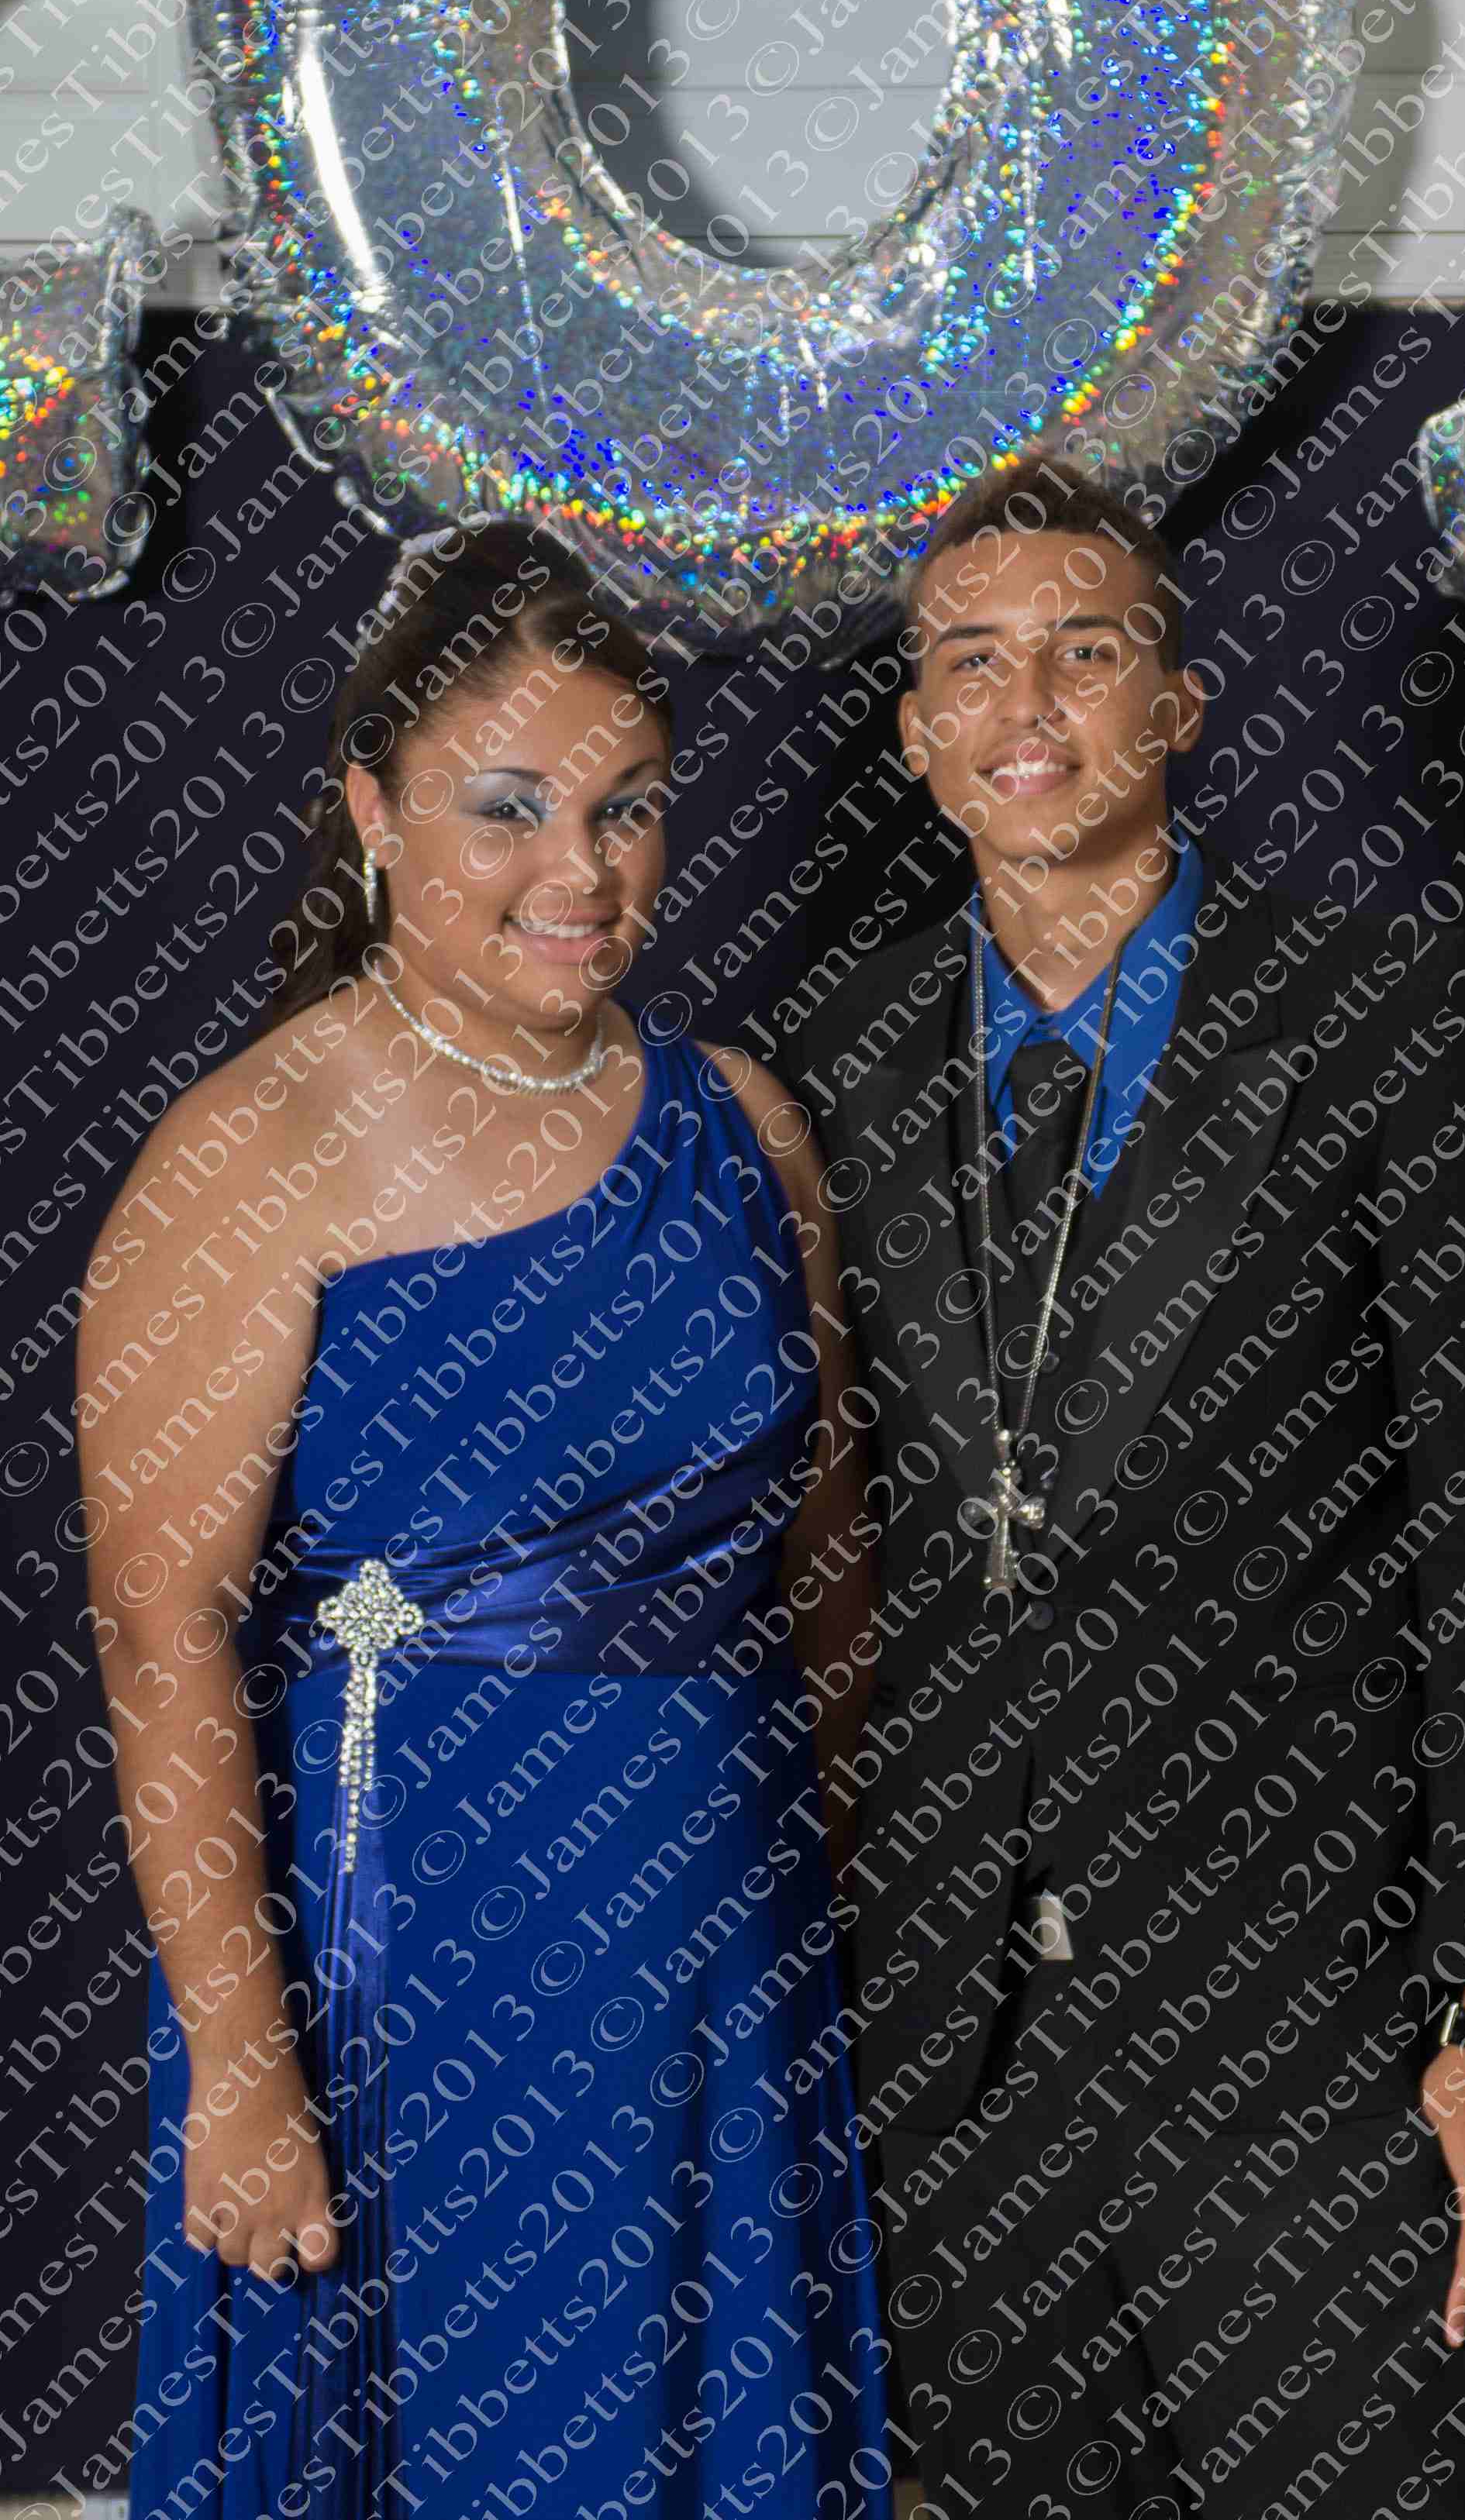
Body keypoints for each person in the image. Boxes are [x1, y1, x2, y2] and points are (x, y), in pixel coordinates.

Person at [779, 456, 1465, 2520]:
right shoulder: (824, 1060)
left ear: (1180, 705)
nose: (1026, 702)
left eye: (1086, 650)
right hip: (948, 2044)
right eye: (973, 662)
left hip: (1317, 2027)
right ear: (918, 735)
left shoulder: (1382, 1014)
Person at [78, 520, 898, 2520]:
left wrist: (795, 1882)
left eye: (628, 807)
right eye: (509, 808)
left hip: (712, 1957)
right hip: (413, 1952)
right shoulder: (255, 1146)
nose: (582, 871)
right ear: (375, 813)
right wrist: (244, 2071)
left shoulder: (744, 1121)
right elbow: (161, 1625)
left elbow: (829, 1555)